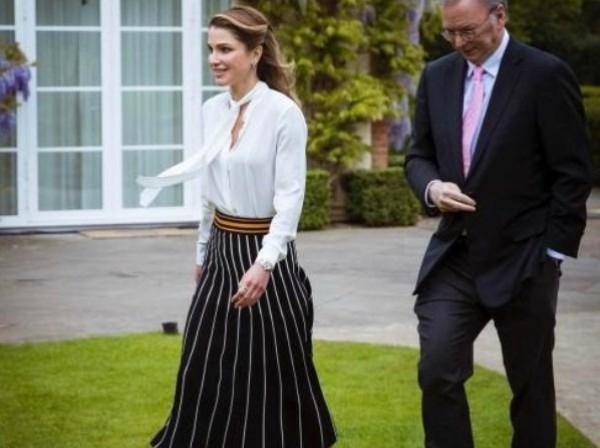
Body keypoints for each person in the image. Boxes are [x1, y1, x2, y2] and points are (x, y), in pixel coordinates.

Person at [138, 6, 336, 448]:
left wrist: (265, 264)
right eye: (211, 49)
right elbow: (208, 191)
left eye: (225, 49)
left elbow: (290, 199)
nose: (214, 59)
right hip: (221, 251)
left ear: (255, 53)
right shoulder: (211, 110)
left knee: (272, 369)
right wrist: (201, 253)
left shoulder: (284, 113)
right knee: (204, 363)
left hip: (269, 259)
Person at [404, 0, 593, 446]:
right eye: (450, 33)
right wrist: (433, 187)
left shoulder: (545, 74)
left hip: (525, 257)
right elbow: (418, 156)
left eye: (467, 31)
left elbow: (572, 171)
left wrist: (551, 253)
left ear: (500, 15)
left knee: (531, 387)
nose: (458, 42)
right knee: (437, 369)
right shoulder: (437, 75)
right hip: (454, 255)